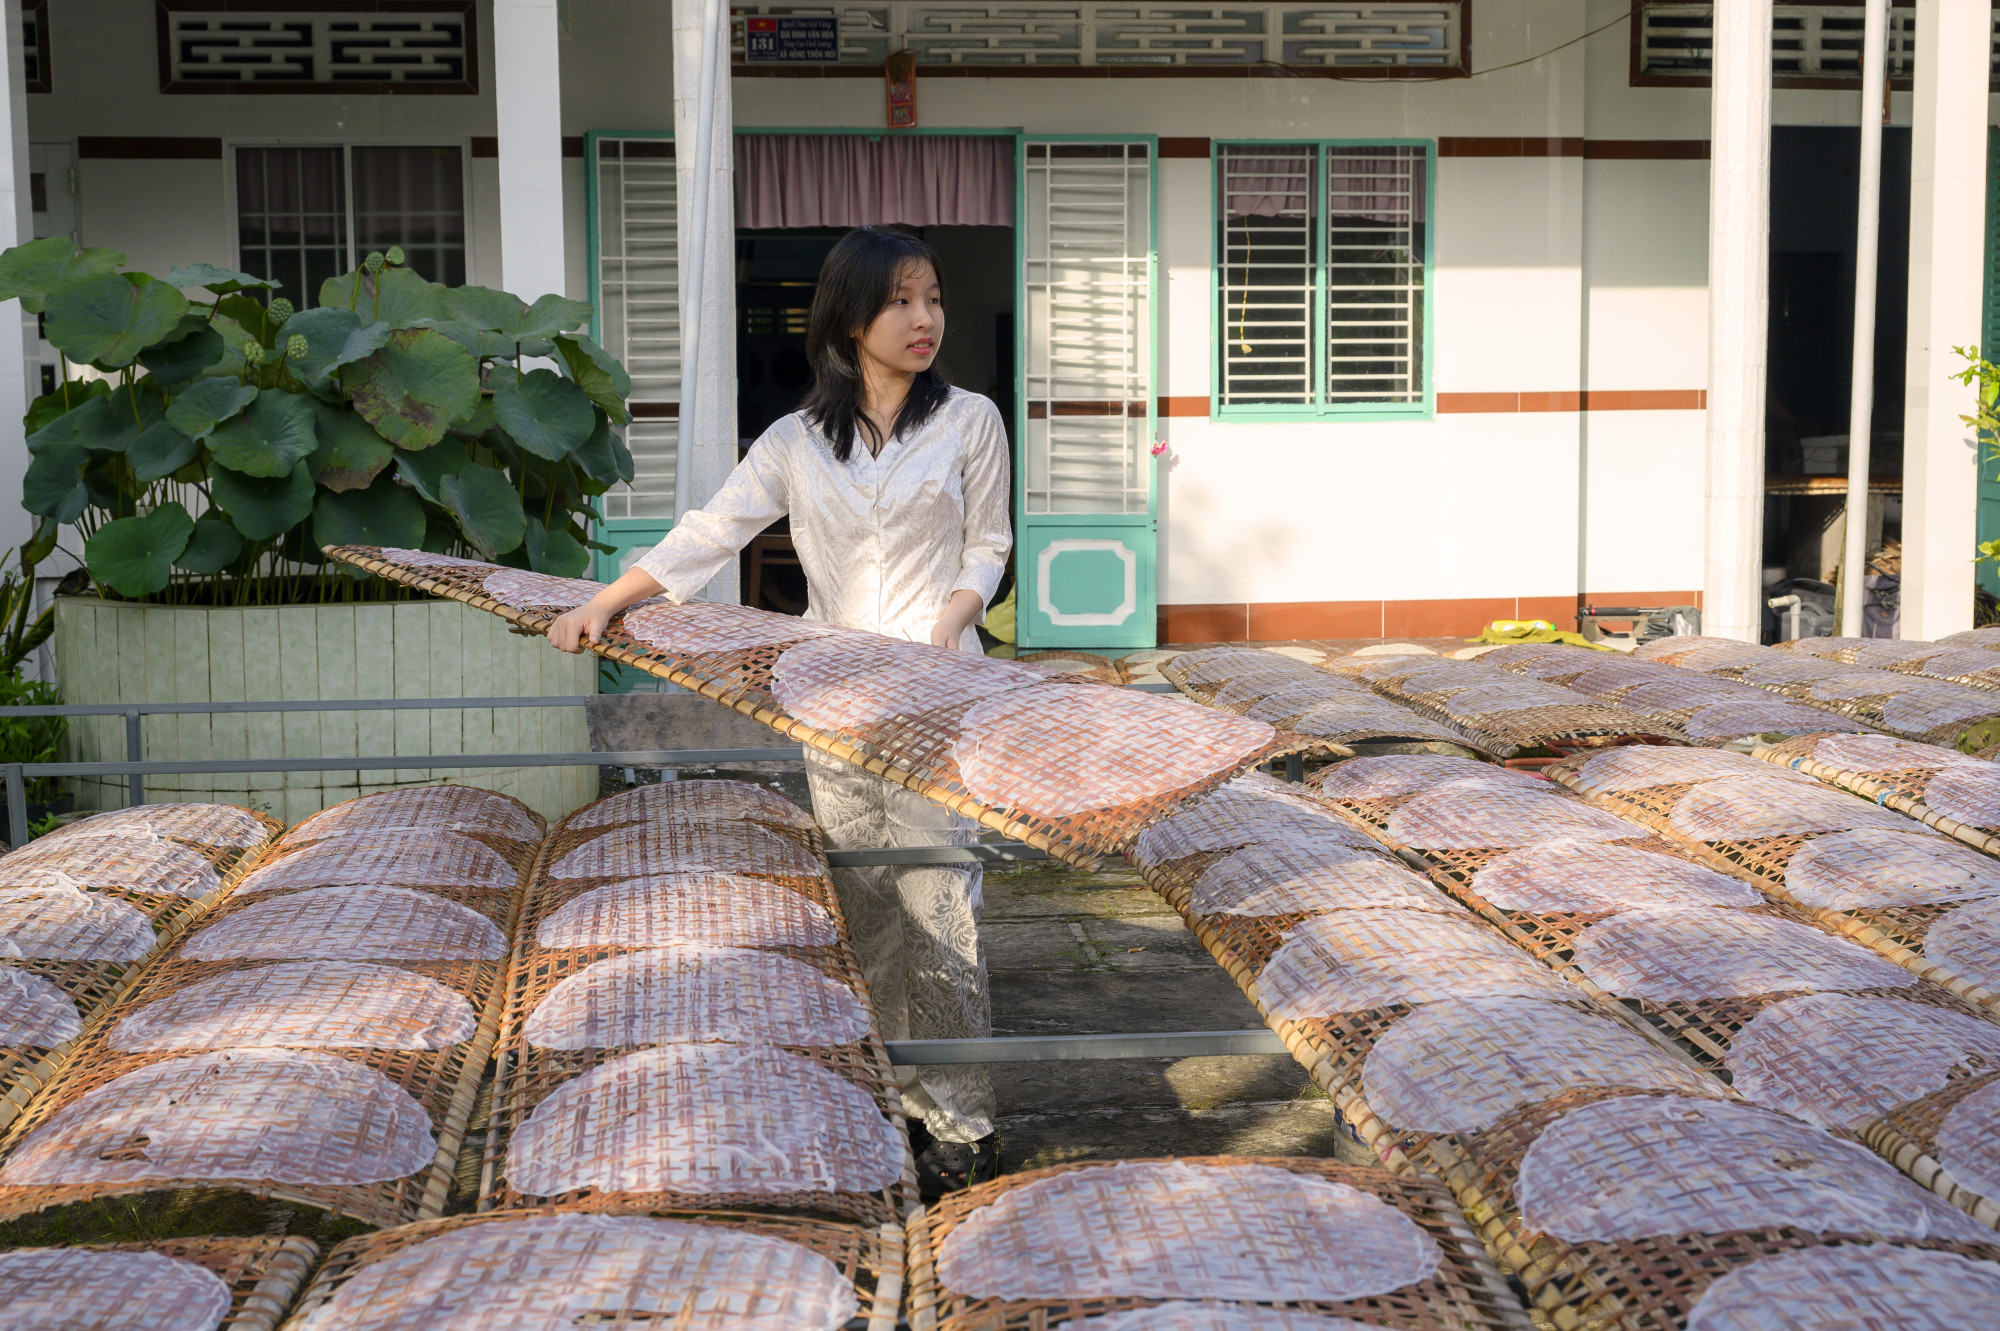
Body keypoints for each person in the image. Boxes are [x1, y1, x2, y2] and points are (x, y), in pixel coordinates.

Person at [547, 225, 1010, 1198]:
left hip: (936, 693)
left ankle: (962, 1122)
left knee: (941, 897)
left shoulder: (969, 419)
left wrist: (946, 624)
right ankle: (896, 1087)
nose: (925, 318)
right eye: (902, 301)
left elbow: (986, 546)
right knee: (868, 904)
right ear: (849, 318)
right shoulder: (796, 441)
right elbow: (709, 530)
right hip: (833, 701)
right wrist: (602, 603)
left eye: (931, 298)